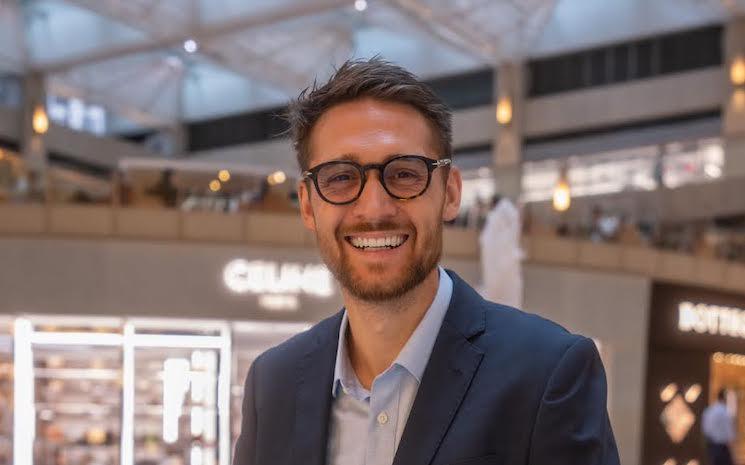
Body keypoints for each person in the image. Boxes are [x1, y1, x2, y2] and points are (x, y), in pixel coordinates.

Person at [232, 58, 619, 465]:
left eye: (404, 174)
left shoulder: (547, 375)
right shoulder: (273, 384)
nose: (375, 209)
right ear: (308, 206)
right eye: (341, 177)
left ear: (450, 193)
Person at [702, 388, 736, 465]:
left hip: (711, 445)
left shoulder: (709, 410)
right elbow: (729, 432)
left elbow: (705, 429)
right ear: (725, 398)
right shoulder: (724, 412)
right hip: (721, 446)